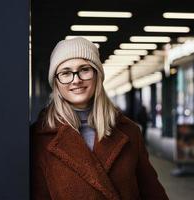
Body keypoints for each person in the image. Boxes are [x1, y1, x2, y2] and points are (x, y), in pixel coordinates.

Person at [30, 37, 169, 200]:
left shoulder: (129, 132)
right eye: (66, 73)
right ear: (56, 82)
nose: (76, 80)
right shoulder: (38, 138)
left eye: (84, 69)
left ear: (97, 75)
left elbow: (153, 193)